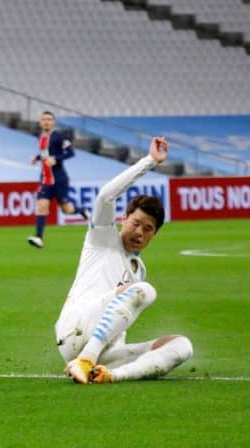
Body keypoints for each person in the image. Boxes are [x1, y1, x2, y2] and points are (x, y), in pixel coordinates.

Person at [57, 136, 193, 384]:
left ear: (155, 234)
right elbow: (105, 197)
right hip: (74, 328)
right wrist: (150, 161)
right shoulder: (102, 238)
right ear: (124, 218)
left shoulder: (138, 269)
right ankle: (85, 359)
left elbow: (119, 322)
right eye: (136, 223)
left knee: (183, 346)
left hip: (104, 348)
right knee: (144, 291)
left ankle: (110, 375)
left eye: (148, 228)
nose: (140, 232)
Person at [28, 111, 88, 249]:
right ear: (40, 122)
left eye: (49, 119)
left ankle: (81, 210)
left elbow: (71, 152)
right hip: (45, 179)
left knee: (66, 210)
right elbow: (45, 154)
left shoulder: (59, 136)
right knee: (42, 206)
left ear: (53, 122)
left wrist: (56, 159)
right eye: (44, 119)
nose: (46, 122)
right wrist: (37, 158)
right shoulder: (41, 137)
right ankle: (38, 238)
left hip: (59, 179)